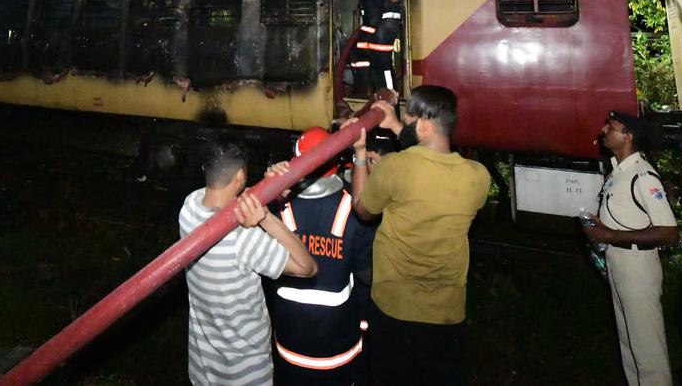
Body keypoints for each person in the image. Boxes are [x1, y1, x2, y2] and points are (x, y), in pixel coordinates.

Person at [351, 85, 490, 385]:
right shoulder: (478, 177)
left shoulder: (393, 168)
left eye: (410, 118)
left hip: (393, 310)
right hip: (447, 315)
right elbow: (427, 162)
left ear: (424, 124)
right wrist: (400, 127)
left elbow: (362, 211)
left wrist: (360, 156)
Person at [180, 139, 318, 386]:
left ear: (205, 170)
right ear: (241, 175)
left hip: (203, 366)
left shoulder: (188, 209)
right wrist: (264, 217)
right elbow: (308, 267)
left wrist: (268, 187)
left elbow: (230, 200)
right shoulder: (244, 240)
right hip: (245, 372)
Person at [265, 127, 373, 385]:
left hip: (289, 351)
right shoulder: (353, 211)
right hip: (339, 355)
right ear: (335, 165)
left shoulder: (276, 211)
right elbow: (367, 276)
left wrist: (272, 188)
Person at [581, 111, 679, 386]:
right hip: (618, 263)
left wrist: (609, 233)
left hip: (638, 269)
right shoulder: (618, 173)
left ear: (627, 136)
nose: (603, 130)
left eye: (610, 126)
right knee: (629, 347)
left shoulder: (643, 176)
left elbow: (669, 233)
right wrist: (600, 227)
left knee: (648, 353)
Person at [348, 0, 403, 96]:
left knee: (382, 64)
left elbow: (374, 13)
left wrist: (373, 31)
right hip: (382, 29)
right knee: (359, 55)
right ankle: (365, 91)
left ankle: (390, 99)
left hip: (380, 31)